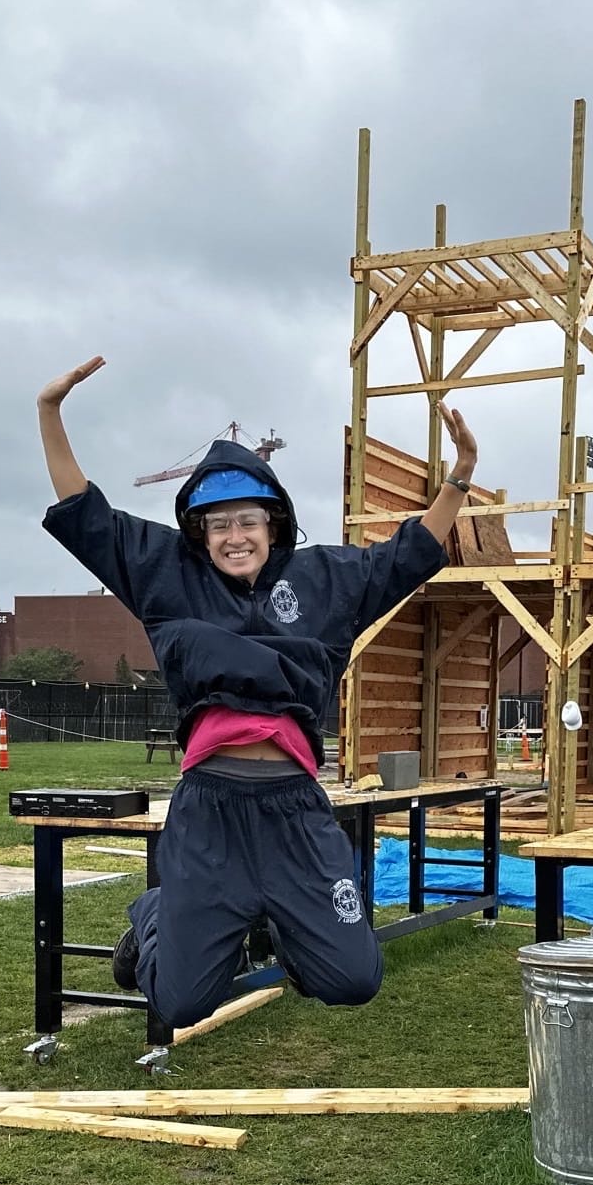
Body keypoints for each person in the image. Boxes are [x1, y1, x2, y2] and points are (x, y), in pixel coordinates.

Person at [36, 356, 479, 1030]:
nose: (233, 536)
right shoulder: (167, 575)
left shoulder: (326, 580)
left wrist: (459, 476)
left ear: (273, 523)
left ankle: (287, 925)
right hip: (209, 809)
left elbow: (407, 554)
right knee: (180, 1004)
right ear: (199, 532)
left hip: (294, 808)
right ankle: (156, 915)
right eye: (217, 524)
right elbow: (86, 515)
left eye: (246, 520)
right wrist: (49, 412)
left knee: (353, 981)